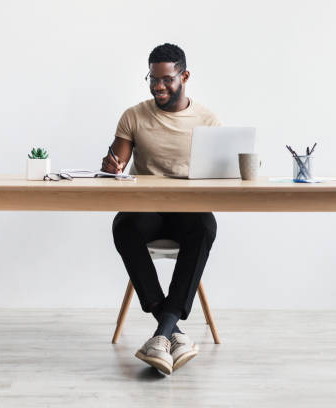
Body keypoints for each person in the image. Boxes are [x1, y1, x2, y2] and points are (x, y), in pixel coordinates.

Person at [101, 43, 220, 375]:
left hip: (189, 211)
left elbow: (221, 174)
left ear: (184, 76)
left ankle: (162, 333)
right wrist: (112, 166)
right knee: (123, 226)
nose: (158, 86)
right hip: (147, 209)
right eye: (153, 79)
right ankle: (171, 331)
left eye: (166, 79)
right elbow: (118, 162)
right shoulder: (134, 116)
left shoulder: (207, 119)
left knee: (205, 227)